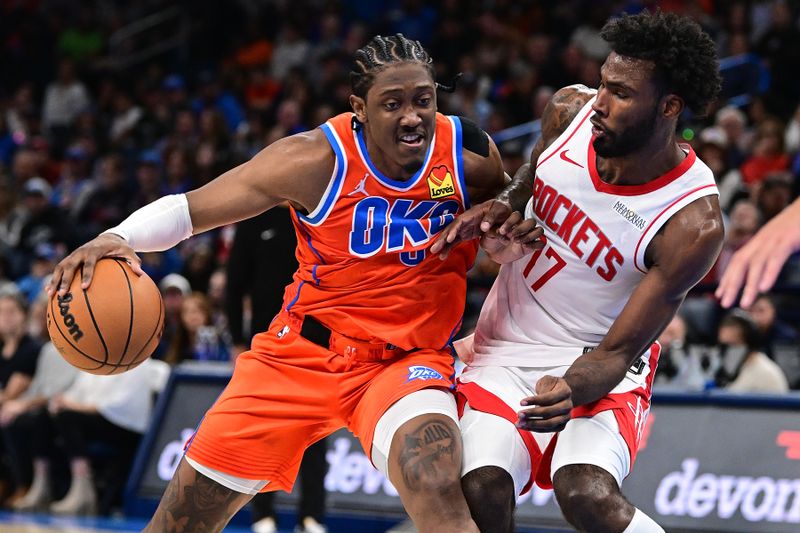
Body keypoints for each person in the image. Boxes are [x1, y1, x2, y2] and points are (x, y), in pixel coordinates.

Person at [48, 34, 523, 533]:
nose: (412, 116)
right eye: (393, 103)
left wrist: (505, 234)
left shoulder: (468, 154)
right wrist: (117, 235)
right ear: (358, 107)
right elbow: (193, 209)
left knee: (436, 483)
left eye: (424, 100)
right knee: (178, 523)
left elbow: (512, 210)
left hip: (406, 363)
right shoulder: (312, 160)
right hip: (299, 355)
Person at [432, 11, 724, 533]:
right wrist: (502, 205)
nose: (600, 103)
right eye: (603, 83)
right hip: (508, 342)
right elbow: (530, 174)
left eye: (621, 93)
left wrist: (571, 386)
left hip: (600, 356)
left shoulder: (691, 223)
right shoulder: (570, 110)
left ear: (669, 107)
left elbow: (618, 352)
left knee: (585, 492)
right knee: (480, 487)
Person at [716, 195, 800, 308]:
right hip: (717, 300)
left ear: (756, 223)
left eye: (745, 216)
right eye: (738, 215)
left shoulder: (767, 245)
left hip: (755, 300)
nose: (740, 218)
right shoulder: (720, 246)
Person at [715, 310, 789, 394]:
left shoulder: (766, 374)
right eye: (723, 345)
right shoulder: (728, 371)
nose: (725, 350)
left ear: (750, 343)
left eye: (732, 344)